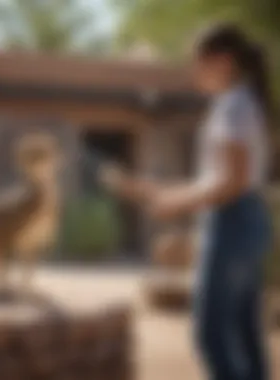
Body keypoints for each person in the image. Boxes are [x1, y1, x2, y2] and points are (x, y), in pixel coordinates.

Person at [102, 23, 273, 380]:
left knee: (210, 335)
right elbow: (220, 181)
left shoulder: (232, 107)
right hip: (245, 219)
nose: (192, 71)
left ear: (223, 61)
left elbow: (232, 183)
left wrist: (175, 205)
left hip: (232, 221)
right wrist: (151, 189)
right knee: (244, 333)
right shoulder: (242, 103)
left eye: (197, 63)